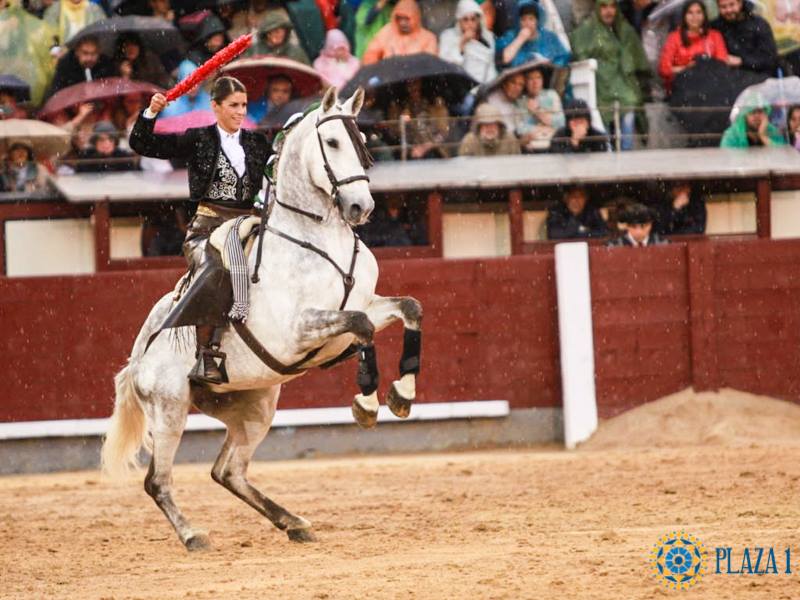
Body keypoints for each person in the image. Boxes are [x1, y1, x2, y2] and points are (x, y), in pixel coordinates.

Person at [129, 76, 270, 384]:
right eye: (233, 105)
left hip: (250, 223)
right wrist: (151, 113)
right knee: (216, 269)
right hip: (208, 228)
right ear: (215, 106)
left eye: (244, 105)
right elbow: (142, 144)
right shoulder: (198, 139)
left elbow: (279, 170)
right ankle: (206, 353)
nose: (240, 112)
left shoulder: (258, 142)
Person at [570, 0, 651, 151]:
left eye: (613, 6)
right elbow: (580, 50)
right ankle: (605, 148)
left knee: (630, 100)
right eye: (604, 7)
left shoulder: (623, 29)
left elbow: (636, 57)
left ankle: (626, 150)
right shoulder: (588, 30)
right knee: (602, 108)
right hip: (599, 81)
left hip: (620, 82)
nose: (609, 11)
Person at [658, 0, 728, 95]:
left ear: (704, 15)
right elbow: (664, 69)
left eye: (698, 12)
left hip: (710, 86)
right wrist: (686, 68)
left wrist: (703, 65)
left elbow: (721, 63)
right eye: (690, 13)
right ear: (684, 16)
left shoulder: (714, 36)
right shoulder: (674, 37)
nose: (695, 17)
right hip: (682, 88)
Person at [387, 78, 453, 159]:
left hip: (434, 151)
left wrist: (425, 147)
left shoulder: (436, 107)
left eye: (416, 83)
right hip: (408, 153)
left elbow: (443, 133)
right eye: (409, 84)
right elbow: (394, 135)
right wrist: (402, 123)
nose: (413, 87)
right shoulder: (399, 107)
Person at [710, 0, 779, 77]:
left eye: (732, 5)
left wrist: (741, 61)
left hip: (759, 75)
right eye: (723, 7)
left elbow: (770, 58)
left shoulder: (758, 24)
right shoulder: (715, 27)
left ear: (740, 3)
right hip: (729, 77)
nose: (728, 10)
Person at [496, 0, 570, 69]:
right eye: (523, 19)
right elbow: (502, 59)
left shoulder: (549, 37)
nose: (527, 23)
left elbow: (563, 58)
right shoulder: (510, 36)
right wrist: (520, 39)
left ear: (537, 21)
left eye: (531, 19)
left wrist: (549, 65)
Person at [439, 0, 497, 85]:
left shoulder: (488, 37)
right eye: (465, 20)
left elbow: (491, 65)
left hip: (488, 83)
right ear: (459, 21)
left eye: (473, 19)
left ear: (478, 20)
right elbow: (446, 65)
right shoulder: (448, 36)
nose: (470, 23)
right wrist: (462, 42)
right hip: (462, 85)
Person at [362, 0, 437, 65]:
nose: (402, 23)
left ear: (416, 18)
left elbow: (429, 64)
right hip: (389, 76)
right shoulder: (387, 31)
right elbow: (370, 55)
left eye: (406, 19)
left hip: (416, 78)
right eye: (399, 18)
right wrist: (381, 68)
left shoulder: (428, 38)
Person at [515, 63, 564, 152]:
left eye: (538, 77)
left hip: (553, 141)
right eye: (530, 78)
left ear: (542, 80)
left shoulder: (551, 95)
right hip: (533, 145)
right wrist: (543, 129)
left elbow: (561, 121)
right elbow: (520, 128)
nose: (535, 82)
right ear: (525, 82)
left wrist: (538, 111)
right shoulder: (521, 101)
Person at [48, 35, 117, 96]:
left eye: (94, 53)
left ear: (99, 52)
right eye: (85, 53)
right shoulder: (66, 65)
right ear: (77, 52)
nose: (90, 58)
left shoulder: (105, 63)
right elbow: (57, 92)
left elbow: (114, 87)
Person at [75, 121, 140, 173]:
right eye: (101, 140)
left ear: (115, 142)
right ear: (95, 142)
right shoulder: (86, 157)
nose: (106, 144)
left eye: (111, 139)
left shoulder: (124, 157)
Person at [720, 102, 787, 147]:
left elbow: (782, 158)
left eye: (760, 111)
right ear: (745, 115)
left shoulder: (773, 132)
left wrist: (763, 137)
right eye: (752, 112)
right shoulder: (732, 135)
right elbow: (728, 160)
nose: (756, 116)